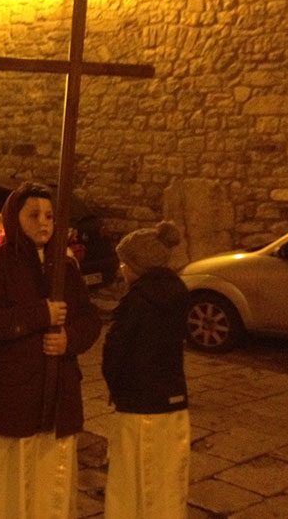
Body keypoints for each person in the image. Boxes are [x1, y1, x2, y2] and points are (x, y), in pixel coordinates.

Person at [0, 182, 101, 519]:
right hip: (17, 390)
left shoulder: (64, 266)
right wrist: (41, 314)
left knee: (49, 480)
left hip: (59, 391)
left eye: (50, 216)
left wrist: (69, 339)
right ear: (14, 218)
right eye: (34, 215)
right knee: (8, 479)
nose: (44, 222)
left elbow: (89, 320)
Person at [102, 221, 190, 519]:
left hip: (139, 404)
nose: (120, 270)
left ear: (137, 267)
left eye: (124, 263)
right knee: (165, 481)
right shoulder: (175, 295)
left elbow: (117, 354)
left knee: (136, 481)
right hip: (172, 400)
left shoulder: (138, 303)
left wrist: (116, 388)